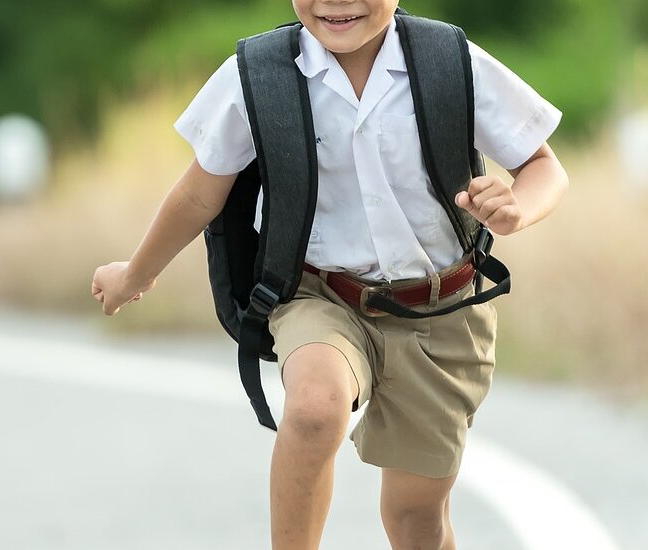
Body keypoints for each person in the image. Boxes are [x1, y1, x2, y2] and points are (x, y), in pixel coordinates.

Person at [89, 1, 570, 548]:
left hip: (442, 309)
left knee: (416, 518)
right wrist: (135, 273)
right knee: (315, 410)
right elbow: (199, 194)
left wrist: (517, 208)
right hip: (322, 296)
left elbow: (543, 167)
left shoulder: (449, 60)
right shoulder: (260, 75)